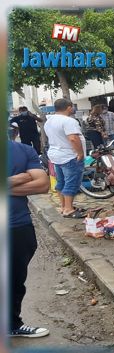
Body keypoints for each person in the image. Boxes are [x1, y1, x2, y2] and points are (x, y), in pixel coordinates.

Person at [9, 141, 50, 338]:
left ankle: (12, 325)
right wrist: (21, 177)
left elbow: (43, 184)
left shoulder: (23, 150)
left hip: (17, 225)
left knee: (15, 280)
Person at [43, 98, 87, 219]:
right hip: (69, 156)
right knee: (72, 182)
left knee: (61, 182)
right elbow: (73, 138)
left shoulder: (49, 121)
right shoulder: (68, 121)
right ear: (68, 107)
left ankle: (64, 207)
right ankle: (68, 209)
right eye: (72, 107)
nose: (73, 109)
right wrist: (80, 153)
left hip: (56, 155)